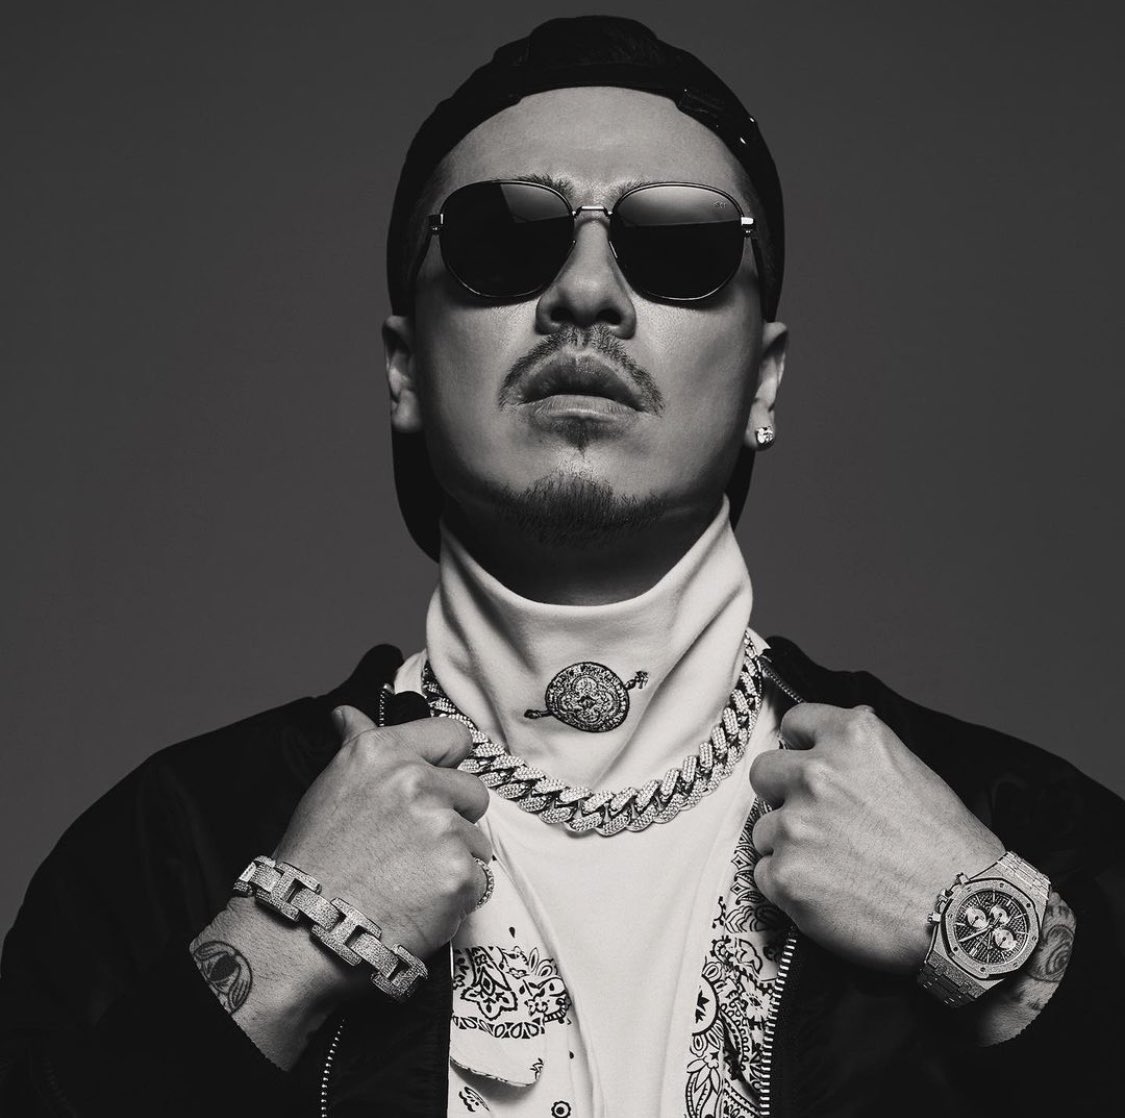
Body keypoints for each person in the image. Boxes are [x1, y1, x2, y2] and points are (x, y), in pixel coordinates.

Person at [1, 15, 1121, 1117]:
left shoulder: (1020, 826)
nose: (586, 291)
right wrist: (286, 942)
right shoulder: (175, 844)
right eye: (501, 238)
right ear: (403, 368)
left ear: (765, 381)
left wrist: (988, 934)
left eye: (682, 246)